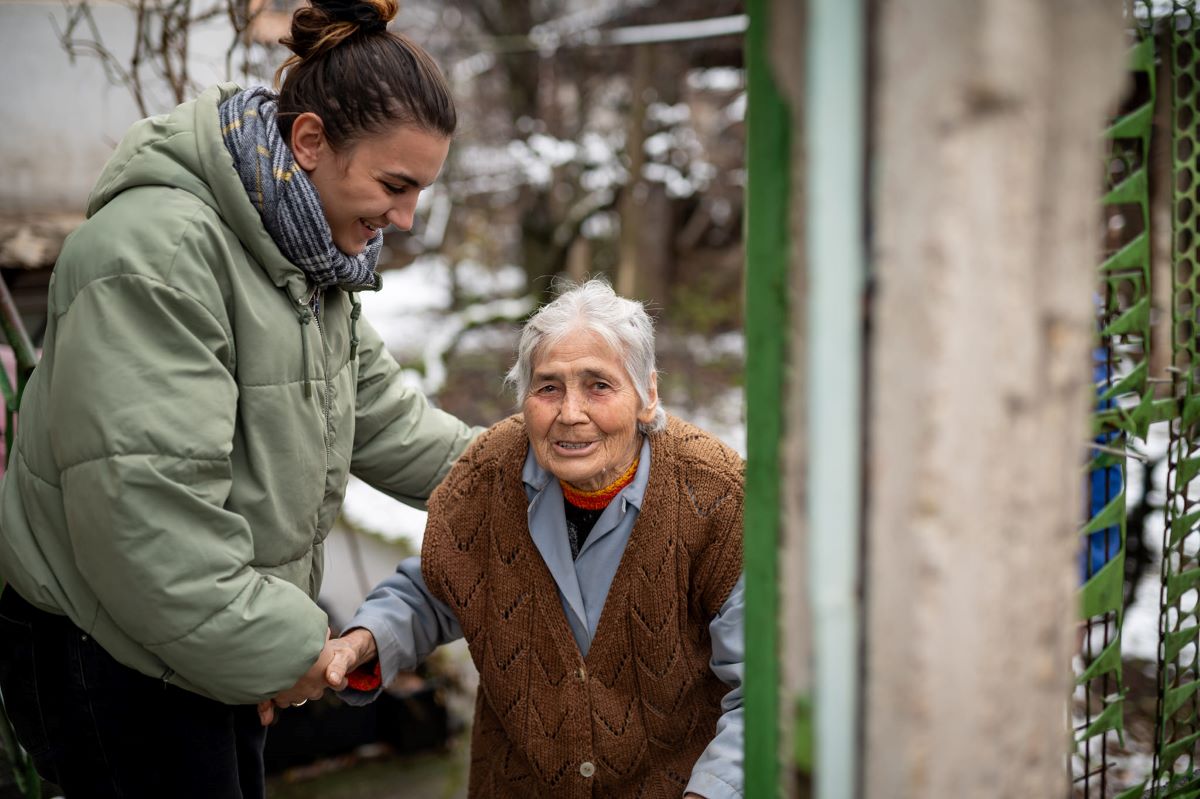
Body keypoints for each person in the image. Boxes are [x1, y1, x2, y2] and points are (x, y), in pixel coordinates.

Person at [0, 1, 477, 795]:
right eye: (395, 185)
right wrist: (293, 651)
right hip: (108, 648)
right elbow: (146, 517)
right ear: (311, 141)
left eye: (420, 190)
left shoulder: (303, 249)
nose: (406, 216)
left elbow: (384, 415)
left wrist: (526, 466)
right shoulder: (155, 255)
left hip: (200, 628)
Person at [326, 279, 745, 799]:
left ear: (647, 393)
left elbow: (756, 692)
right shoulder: (487, 474)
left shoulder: (717, 498)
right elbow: (441, 584)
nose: (570, 413)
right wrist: (367, 640)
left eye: (598, 385)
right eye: (549, 387)